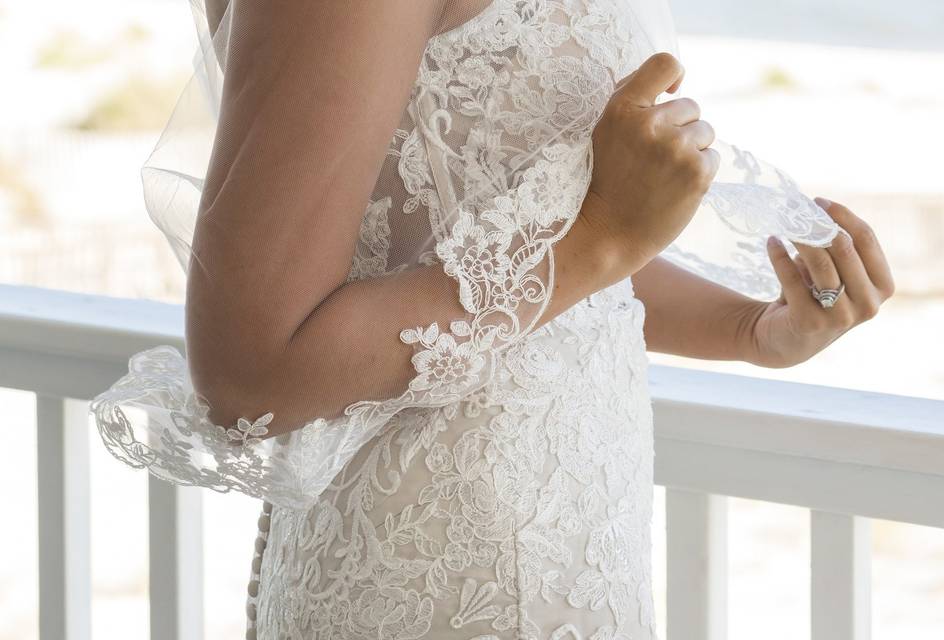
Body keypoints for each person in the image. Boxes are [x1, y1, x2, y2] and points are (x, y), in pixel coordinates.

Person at [91, 1, 894, 638]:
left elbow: (519, 252)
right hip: (448, 574)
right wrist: (602, 232)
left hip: (570, 560)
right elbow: (250, 366)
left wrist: (750, 329)